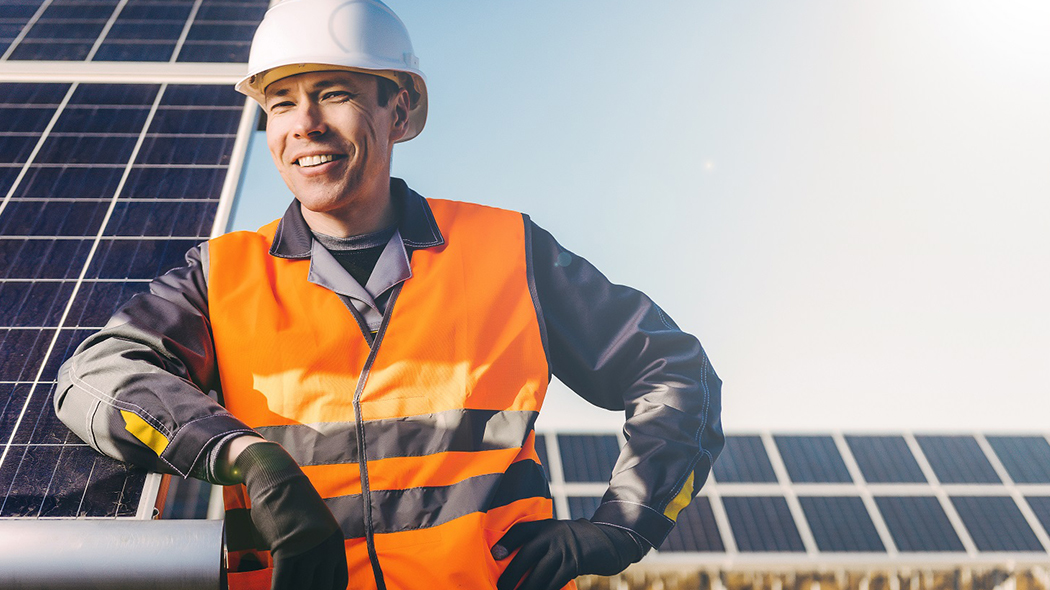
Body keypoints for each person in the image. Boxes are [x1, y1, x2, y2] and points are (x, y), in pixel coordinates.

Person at [54, 1, 723, 589]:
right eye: (281, 101)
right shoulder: (222, 277)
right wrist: (246, 457)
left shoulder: (509, 253)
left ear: (399, 110)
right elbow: (93, 380)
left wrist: (624, 527)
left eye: (334, 92)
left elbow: (675, 372)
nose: (304, 123)